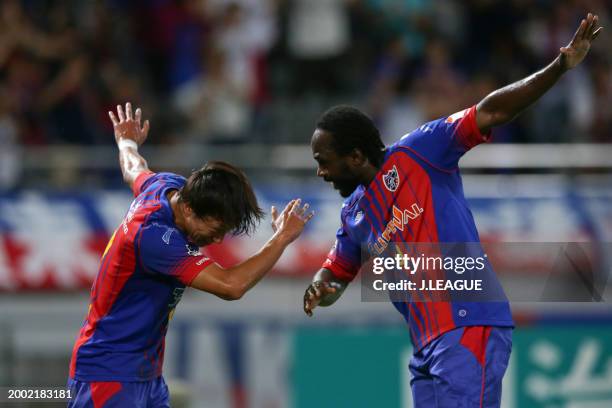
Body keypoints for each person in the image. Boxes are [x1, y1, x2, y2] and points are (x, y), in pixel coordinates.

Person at [302, 13, 602, 408]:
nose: (321, 172)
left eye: (325, 161)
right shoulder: (354, 215)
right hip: (425, 346)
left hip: (467, 323)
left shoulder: (420, 150)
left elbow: (491, 111)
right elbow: (336, 273)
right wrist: (320, 287)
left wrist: (559, 66)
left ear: (355, 156)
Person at [68, 102, 314, 407]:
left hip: (144, 375)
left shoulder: (167, 187)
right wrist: (281, 239)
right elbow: (230, 286)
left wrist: (127, 141)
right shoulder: (155, 237)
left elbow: (134, 169)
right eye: (215, 227)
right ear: (187, 209)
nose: (218, 238)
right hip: (108, 375)